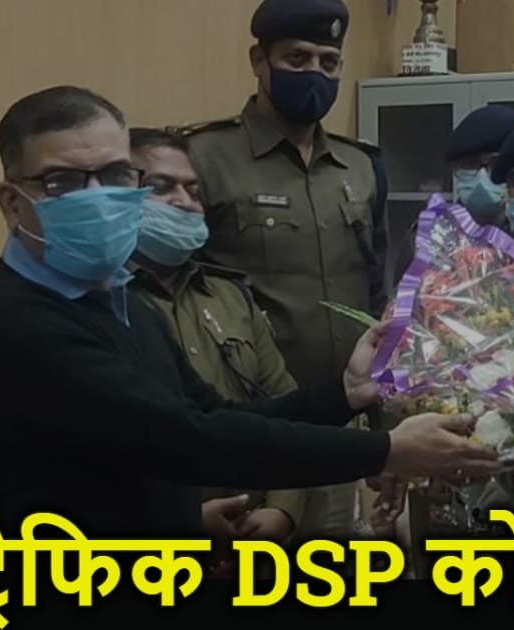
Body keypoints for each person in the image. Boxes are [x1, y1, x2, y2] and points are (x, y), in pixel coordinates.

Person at [0, 85, 499, 582]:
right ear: (12, 203)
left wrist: (345, 394)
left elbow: (209, 412)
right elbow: (183, 440)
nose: (98, 197)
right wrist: (387, 450)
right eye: (64, 182)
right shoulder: (6, 320)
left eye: (117, 175)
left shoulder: (118, 302)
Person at [170, 0, 386, 545]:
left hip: (343, 421)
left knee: (330, 570)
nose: (314, 72)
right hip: (250, 426)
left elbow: (376, 290)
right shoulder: (203, 157)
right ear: (258, 60)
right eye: (296, 57)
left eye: (328, 61)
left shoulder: (361, 166)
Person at [125, 127, 348, 558]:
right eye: (161, 187)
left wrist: (282, 510)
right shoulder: (104, 304)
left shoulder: (229, 297)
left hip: (255, 530)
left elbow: (282, 407)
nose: (184, 202)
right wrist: (186, 519)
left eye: (193, 190)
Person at [388, 104, 514, 290]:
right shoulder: (427, 238)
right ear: (455, 170)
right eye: (470, 164)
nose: (481, 178)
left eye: (495, 164)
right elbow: (400, 302)